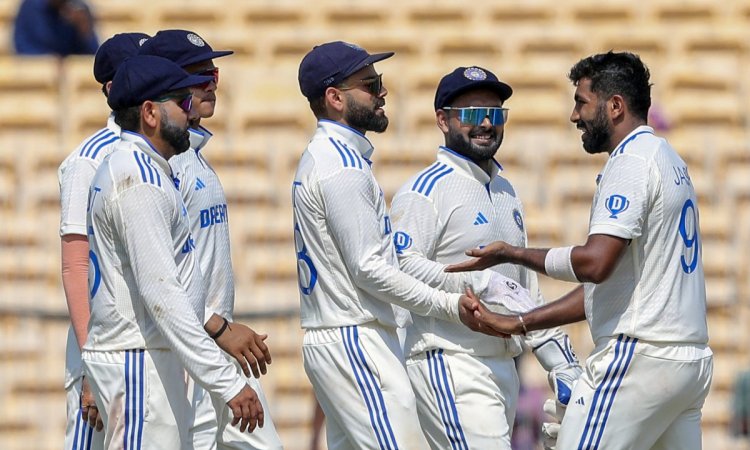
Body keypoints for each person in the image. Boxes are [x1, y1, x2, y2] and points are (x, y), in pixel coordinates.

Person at [447, 51, 714, 450]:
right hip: (688, 362)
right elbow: (611, 288)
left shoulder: (631, 162)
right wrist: (522, 322)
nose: (575, 116)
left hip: (639, 359)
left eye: (581, 102)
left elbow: (595, 264)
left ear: (615, 106)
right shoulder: (667, 157)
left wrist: (513, 254)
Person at [292, 40, 489, 450]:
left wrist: (459, 286)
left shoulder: (334, 157)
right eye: (370, 84)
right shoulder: (341, 166)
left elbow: (380, 262)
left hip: (343, 336)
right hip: (355, 336)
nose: (382, 92)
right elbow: (369, 269)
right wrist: (448, 304)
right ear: (335, 98)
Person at [389, 65, 581, 449]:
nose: (486, 125)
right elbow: (402, 267)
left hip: (503, 365)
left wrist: (560, 360)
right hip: (449, 360)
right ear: (442, 120)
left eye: (495, 114)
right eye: (473, 114)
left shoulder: (507, 190)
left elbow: (521, 289)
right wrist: (479, 282)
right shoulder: (424, 190)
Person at [82, 55, 264, 449]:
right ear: (149, 112)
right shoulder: (138, 181)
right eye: (180, 102)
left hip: (148, 358)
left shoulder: (143, 168)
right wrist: (229, 382)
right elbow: (164, 296)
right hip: (137, 362)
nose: (189, 111)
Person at [138, 29, 282, 449]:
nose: (210, 85)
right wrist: (217, 327)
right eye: (196, 76)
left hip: (218, 347)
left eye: (212, 73)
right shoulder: (163, 165)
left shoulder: (192, 157)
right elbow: (162, 278)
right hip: (188, 351)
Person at [57, 31, 149, 450]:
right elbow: (77, 264)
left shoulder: (162, 149)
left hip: (146, 346)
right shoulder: (88, 160)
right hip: (103, 350)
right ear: (113, 88)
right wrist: (91, 361)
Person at [13, 0, 98, 56]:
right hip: (38, 72)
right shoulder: (30, 7)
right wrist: (49, 59)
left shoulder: (79, 9)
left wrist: (83, 29)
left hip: (70, 75)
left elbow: (93, 54)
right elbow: (21, 46)